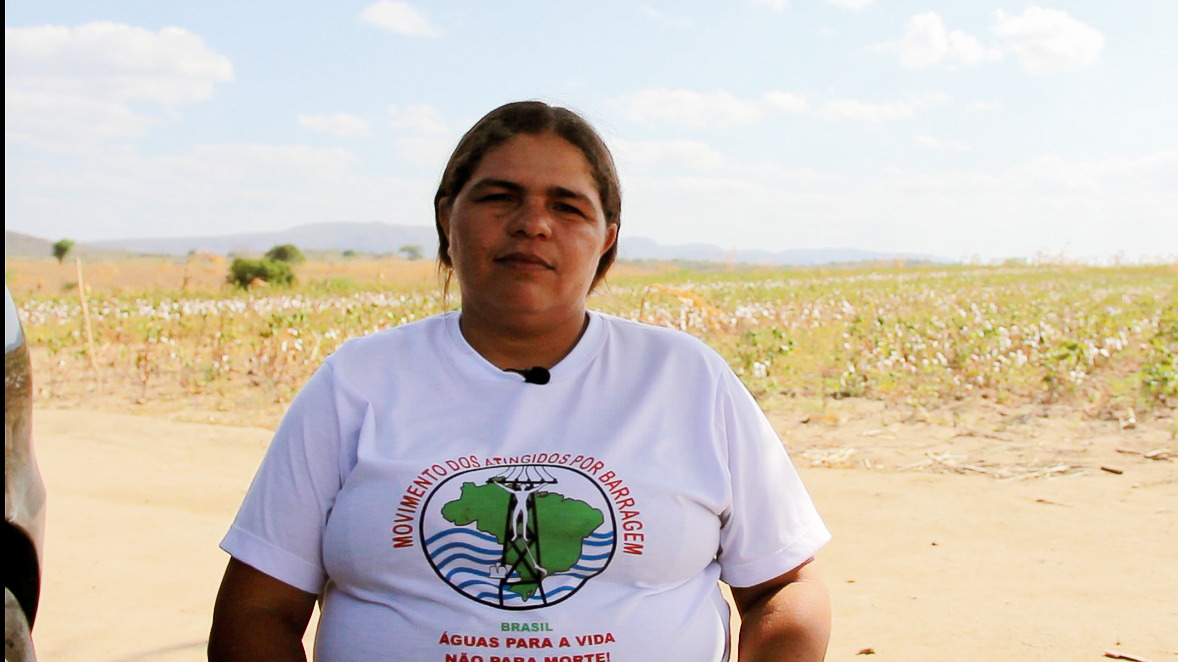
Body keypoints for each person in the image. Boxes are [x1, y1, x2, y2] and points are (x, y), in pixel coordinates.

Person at [208, 100, 832, 661]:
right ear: (447, 220)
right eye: (499, 196)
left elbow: (785, 588)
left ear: (605, 240)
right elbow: (258, 612)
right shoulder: (358, 381)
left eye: (567, 206)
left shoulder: (687, 379)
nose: (533, 223)